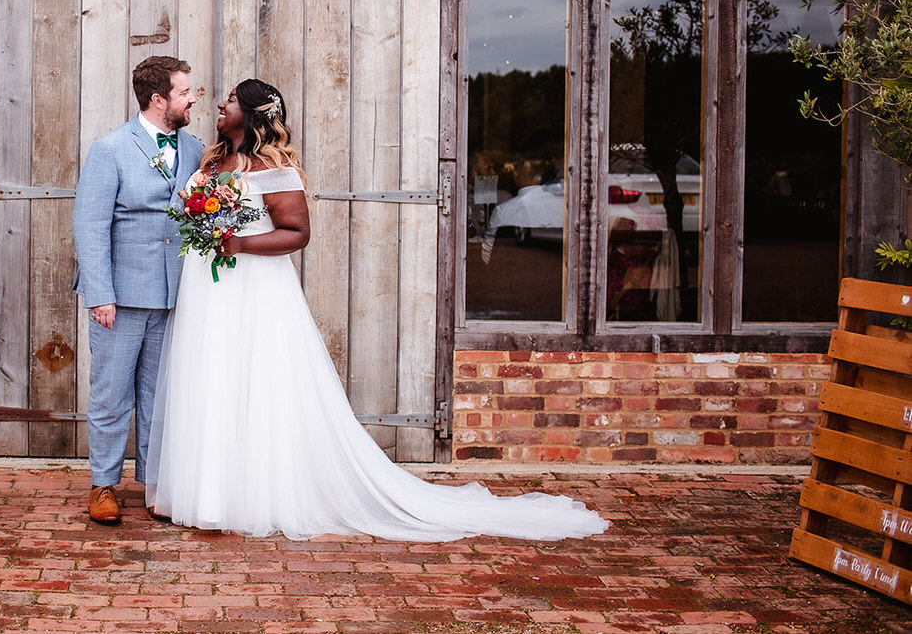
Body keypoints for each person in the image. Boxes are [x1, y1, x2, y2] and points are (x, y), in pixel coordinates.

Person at [145, 79, 609, 542]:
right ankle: (206, 492)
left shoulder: (272, 166)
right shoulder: (211, 159)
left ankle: (248, 496)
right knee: (212, 380)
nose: (220, 105)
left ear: (252, 112)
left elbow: (297, 232)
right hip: (210, 290)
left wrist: (238, 242)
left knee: (253, 384)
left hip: (251, 289)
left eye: (229, 100)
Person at [72, 56, 203, 525]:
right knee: (110, 393)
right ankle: (103, 485)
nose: (193, 99)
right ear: (158, 99)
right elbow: (90, 226)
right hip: (121, 297)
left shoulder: (195, 149)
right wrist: (100, 294)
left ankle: (152, 484)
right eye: (186, 92)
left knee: (159, 395)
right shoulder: (109, 149)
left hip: (174, 296)